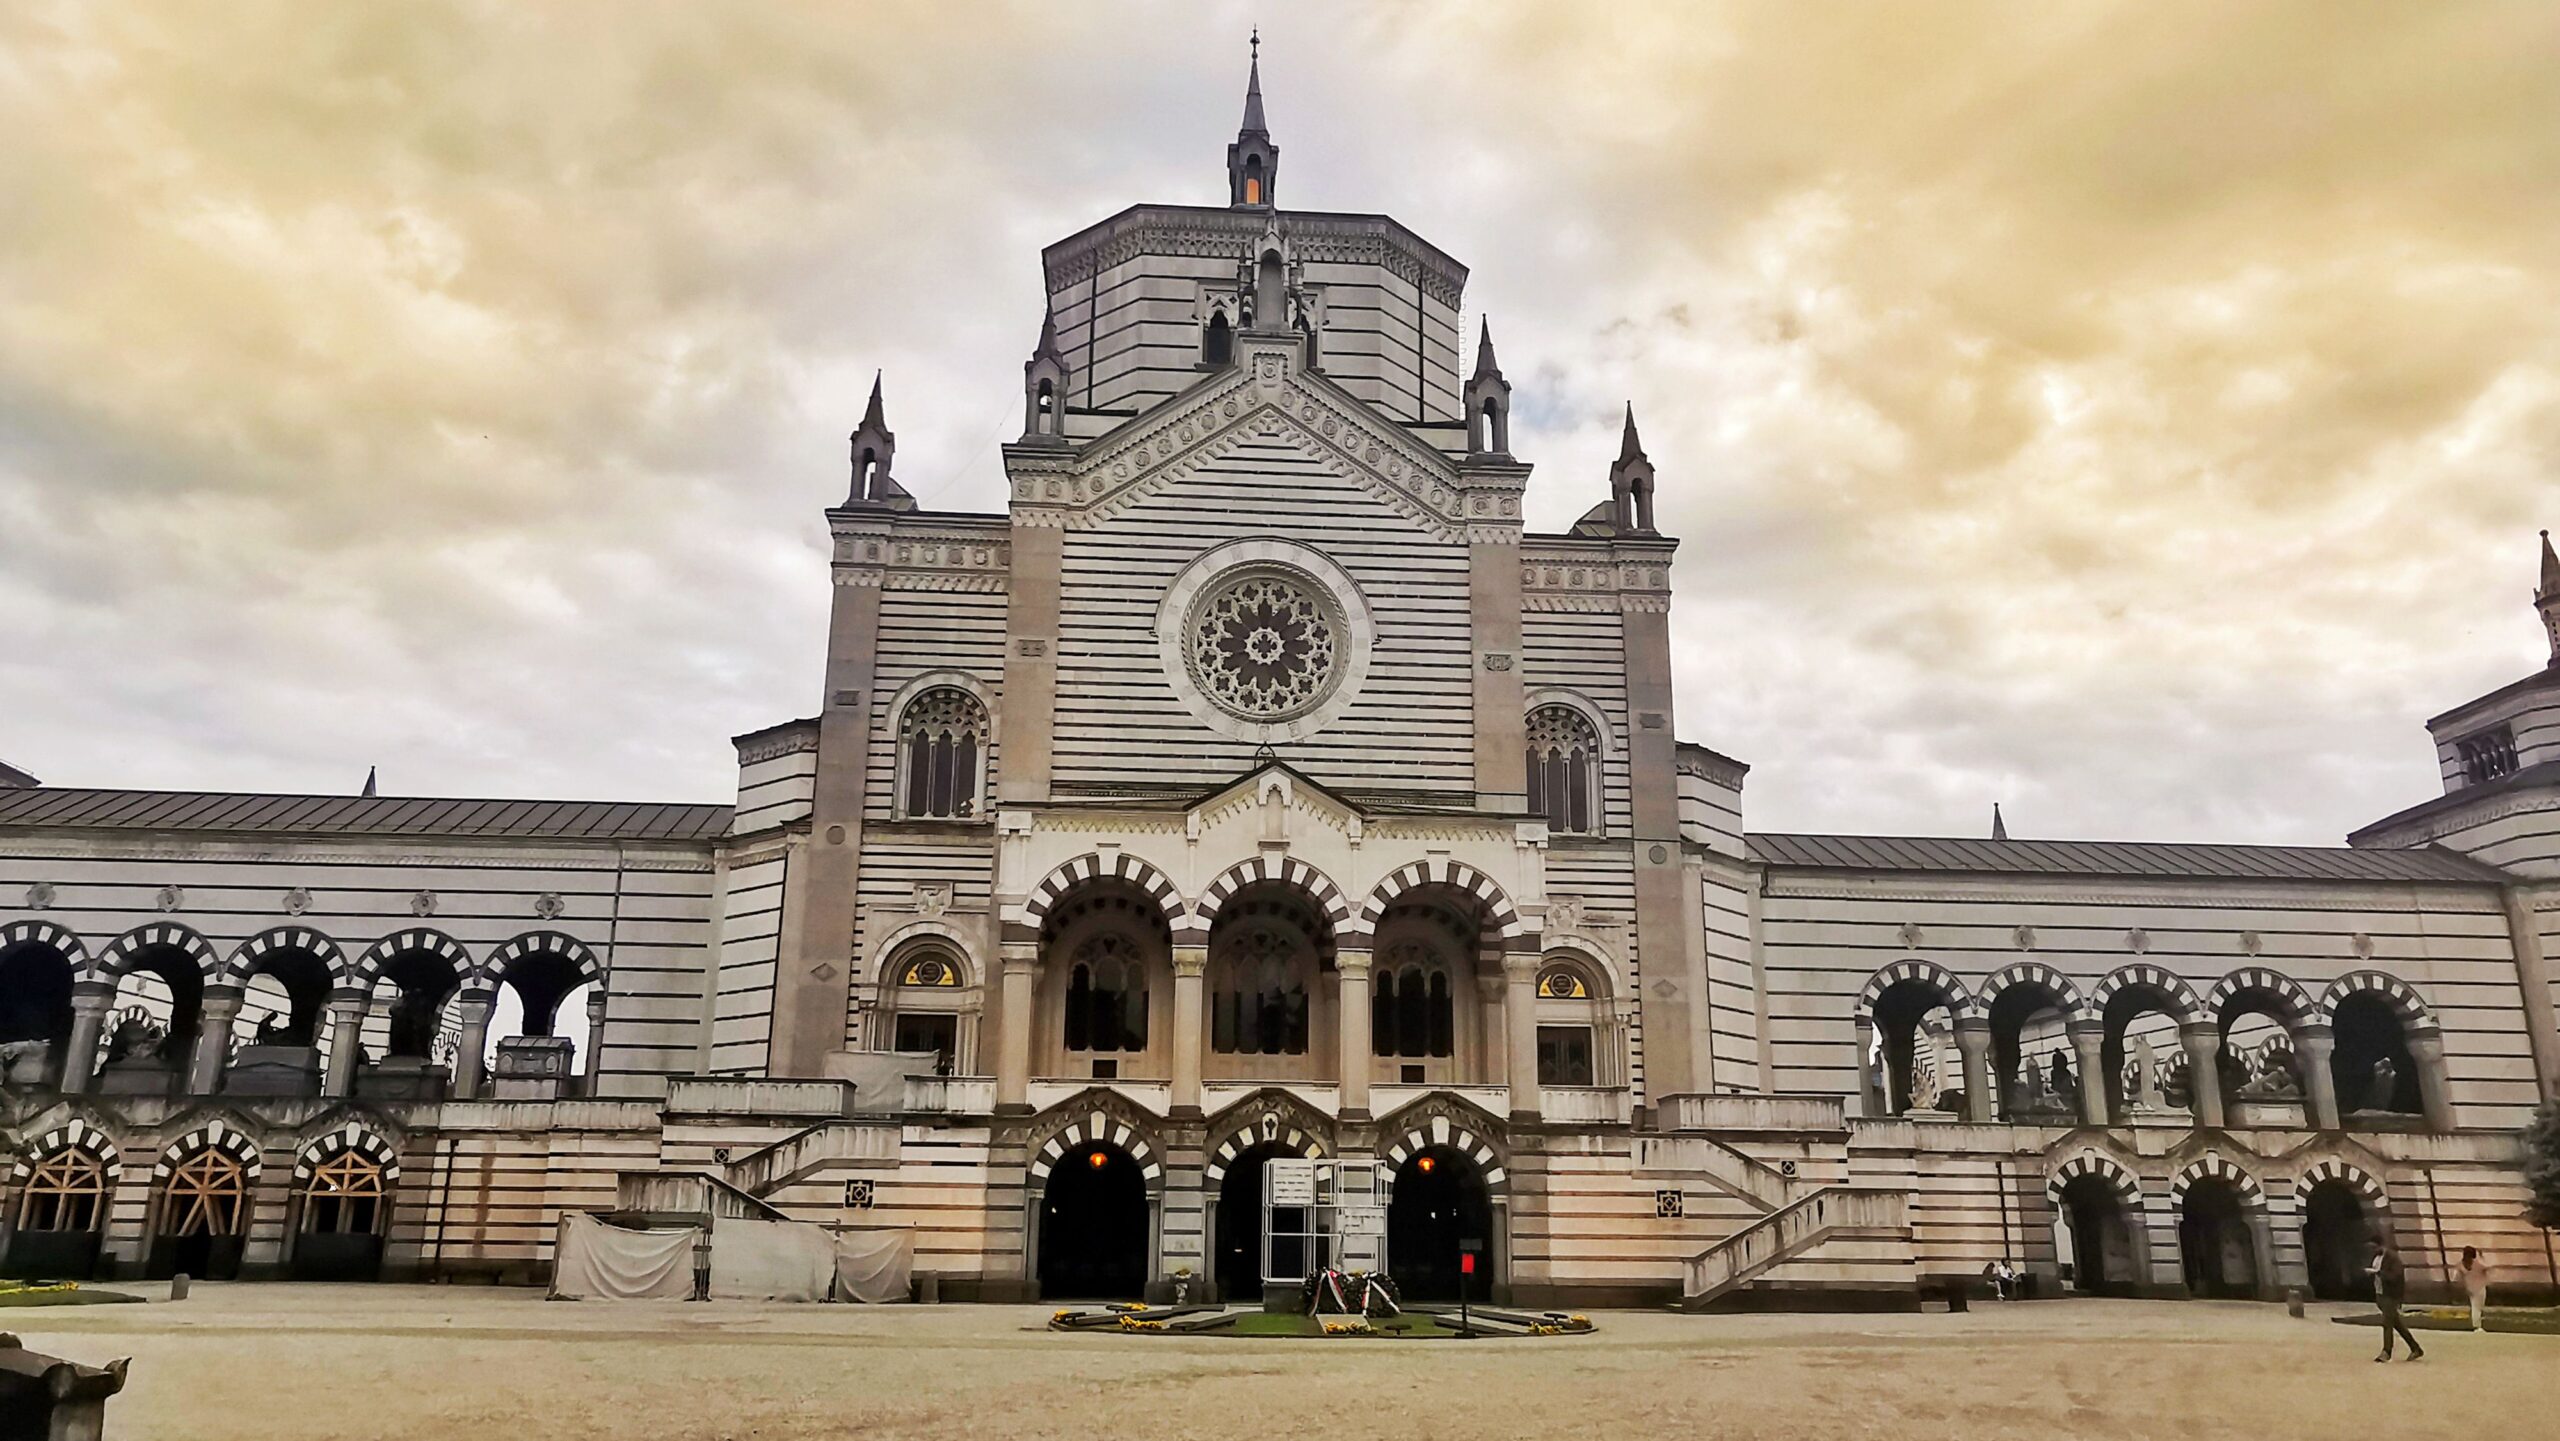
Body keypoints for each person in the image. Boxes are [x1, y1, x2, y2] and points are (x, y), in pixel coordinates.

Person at [2366, 1238, 2423, 1362]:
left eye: (2374, 1247)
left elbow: (2395, 1276)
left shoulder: (2393, 1258)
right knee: (2397, 1324)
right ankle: (2415, 1348)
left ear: (2380, 1245)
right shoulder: (2377, 1258)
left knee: (2387, 1323)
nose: (2372, 1250)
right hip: (2380, 1294)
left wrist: (2379, 1273)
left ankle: (2386, 1352)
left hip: (2391, 1295)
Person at [2457, 1246, 2490, 1332]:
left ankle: (2477, 1324)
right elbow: (2487, 1267)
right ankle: (2477, 1326)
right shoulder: (2477, 1263)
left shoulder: (2460, 1264)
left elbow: (2460, 1278)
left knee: (2475, 1306)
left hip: (2470, 1288)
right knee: (2478, 1307)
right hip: (2480, 1287)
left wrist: (2464, 1288)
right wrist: (2482, 1256)